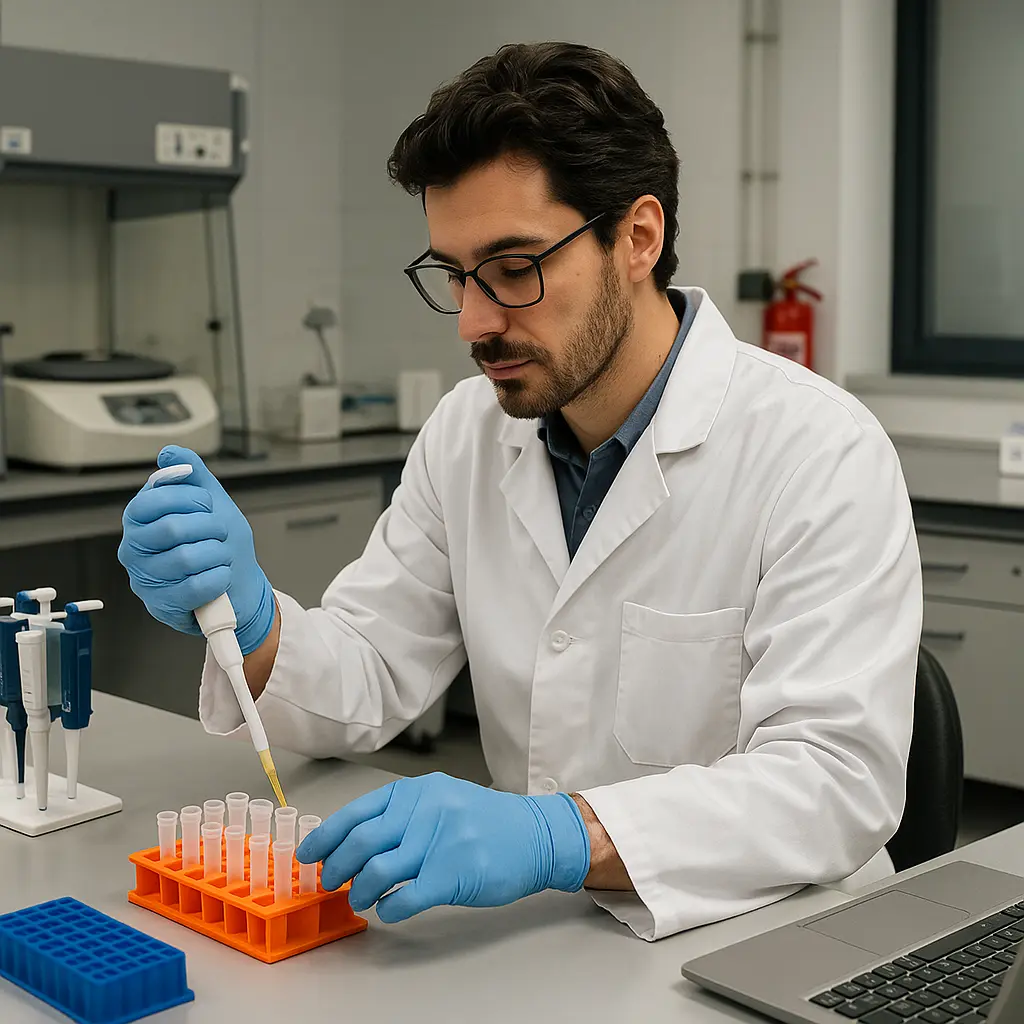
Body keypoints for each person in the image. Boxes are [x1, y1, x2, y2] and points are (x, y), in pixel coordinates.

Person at [118, 41, 922, 941]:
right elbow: (370, 673)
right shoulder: (468, 434)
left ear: (638, 238)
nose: (474, 321)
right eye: (455, 275)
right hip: (549, 944)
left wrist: (558, 836)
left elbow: (833, 784)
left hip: (773, 943)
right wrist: (253, 622)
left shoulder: (819, 450)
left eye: (514, 268)